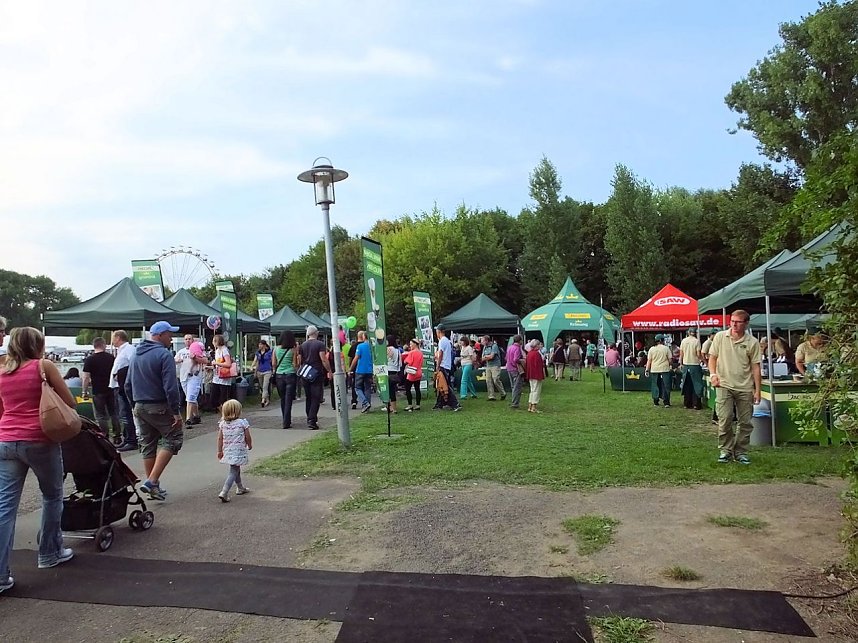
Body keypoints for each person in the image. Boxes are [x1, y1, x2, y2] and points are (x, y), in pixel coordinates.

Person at [0, 327, 76, 587]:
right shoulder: (42, 366)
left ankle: (0, 576)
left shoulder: (2, 370)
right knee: (52, 495)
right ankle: (49, 553)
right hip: (39, 439)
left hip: (6, 441)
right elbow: (70, 401)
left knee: (5, 508)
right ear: (37, 344)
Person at [125, 321, 184, 501]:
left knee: (148, 444)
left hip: (139, 405)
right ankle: (151, 481)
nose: (171, 337)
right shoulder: (163, 355)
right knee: (174, 438)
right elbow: (170, 386)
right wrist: (175, 411)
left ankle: (153, 486)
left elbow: (127, 384)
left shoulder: (136, 354)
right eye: (169, 334)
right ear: (159, 335)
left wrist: (133, 405)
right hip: (159, 405)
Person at [708, 309, 761, 465]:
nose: (734, 324)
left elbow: (756, 367)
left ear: (746, 323)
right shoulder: (720, 337)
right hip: (724, 384)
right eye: (732, 321)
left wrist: (757, 390)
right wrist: (713, 375)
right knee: (724, 419)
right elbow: (712, 358)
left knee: (745, 422)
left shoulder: (752, 342)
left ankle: (741, 452)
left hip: (745, 386)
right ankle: (725, 450)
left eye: (738, 322)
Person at [82, 337, 122, 443]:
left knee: (100, 415)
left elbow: (86, 377)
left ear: (94, 346)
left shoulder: (90, 359)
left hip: (97, 390)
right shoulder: (111, 358)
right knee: (114, 413)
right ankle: (117, 436)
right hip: (111, 388)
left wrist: (84, 391)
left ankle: (104, 436)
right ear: (103, 345)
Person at [216, 399, 252, 502]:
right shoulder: (242, 423)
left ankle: (240, 488)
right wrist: (249, 444)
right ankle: (224, 491)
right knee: (234, 470)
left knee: (236, 468)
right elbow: (247, 436)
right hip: (238, 450)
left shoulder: (222, 424)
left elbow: (220, 438)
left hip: (228, 450)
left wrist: (219, 451)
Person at [110, 330, 138, 452]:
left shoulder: (129, 349)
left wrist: (121, 374)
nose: (112, 340)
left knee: (126, 413)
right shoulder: (122, 350)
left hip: (123, 385)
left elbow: (133, 365)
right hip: (118, 385)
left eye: (113, 337)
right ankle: (127, 438)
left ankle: (131, 440)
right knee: (123, 413)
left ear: (118, 338)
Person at [300, 325, 330, 430]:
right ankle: (312, 420)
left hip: (305, 373)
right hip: (316, 373)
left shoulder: (303, 345)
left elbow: (301, 359)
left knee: (308, 397)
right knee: (316, 397)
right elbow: (323, 359)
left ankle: (309, 417)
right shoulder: (320, 344)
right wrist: (329, 370)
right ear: (316, 333)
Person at [175, 334, 205, 427]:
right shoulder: (181, 351)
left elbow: (205, 360)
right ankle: (196, 416)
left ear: (193, 340)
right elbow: (174, 360)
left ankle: (188, 419)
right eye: (186, 339)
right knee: (191, 397)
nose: (188, 340)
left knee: (190, 397)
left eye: (189, 339)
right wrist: (177, 360)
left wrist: (195, 358)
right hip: (184, 377)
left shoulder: (197, 349)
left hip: (194, 376)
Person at [272, 330, 299, 429]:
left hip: (279, 375)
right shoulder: (293, 350)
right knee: (289, 399)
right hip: (290, 374)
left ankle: (285, 419)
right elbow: (295, 364)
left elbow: (274, 364)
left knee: (283, 398)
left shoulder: (276, 349)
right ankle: (286, 422)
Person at [432, 324, 461, 411]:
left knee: (445, 386)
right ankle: (440, 404)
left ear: (439, 331)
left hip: (443, 365)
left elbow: (440, 354)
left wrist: (438, 365)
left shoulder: (442, 341)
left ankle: (455, 404)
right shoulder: (447, 341)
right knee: (443, 385)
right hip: (447, 365)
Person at [349, 330, 374, 413]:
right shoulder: (372, 347)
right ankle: (367, 407)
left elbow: (356, 358)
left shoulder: (360, 346)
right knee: (367, 388)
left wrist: (350, 369)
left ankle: (365, 402)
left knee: (357, 388)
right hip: (369, 370)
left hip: (360, 370)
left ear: (364, 337)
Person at [645, 334, 673, 407]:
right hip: (664, 369)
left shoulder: (652, 349)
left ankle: (656, 401)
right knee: (666, 385)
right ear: (661, 340)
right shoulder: (666, 348)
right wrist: (670, 365)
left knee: (655, 385)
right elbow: (670, 360)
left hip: (654, 369)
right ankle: (666, 402)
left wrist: (647, 370)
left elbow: (649, 361)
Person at [679, 329, 704, 410]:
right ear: (695, 333)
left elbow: (681, 354)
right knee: (696, 384)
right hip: (695, 365)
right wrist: (703, 361)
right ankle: (696, 404)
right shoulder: (696, 341)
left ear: (688, 333)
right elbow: (698, 354)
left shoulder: (683, 341)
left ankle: (687, 403)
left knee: (687, 384)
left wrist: (681, 363)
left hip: (686, 365)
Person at [210, 334, 235, 412]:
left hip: (224, 377)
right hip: (217, 376)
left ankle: (226, 414)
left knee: (223, 399)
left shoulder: (224, 350)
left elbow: (228, 364)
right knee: (213, 398)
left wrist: (216, 363)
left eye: (214, 341)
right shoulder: (217, 351)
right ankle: (222, 412)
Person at [480, 335, 506, 401]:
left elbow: (492, 356)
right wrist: (487, 357)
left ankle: (503, 393)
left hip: (495, 365)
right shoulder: (484, 347)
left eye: (482, 341)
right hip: (488, 365)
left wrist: (486, 357)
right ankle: (491, 396)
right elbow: (482, 358)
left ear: (486, 340)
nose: (481, 342)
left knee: (495, 379)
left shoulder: (494, 346)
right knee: (488, 380)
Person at [402, 338, 424, 412]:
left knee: (408, 389)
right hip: (418, 372)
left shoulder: (411, 353)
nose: (410, 346)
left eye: (411, 344)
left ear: (415, 344)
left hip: (411, 373)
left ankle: (410, 405)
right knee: (417, 389)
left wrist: (405, 361)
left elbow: (408, 361)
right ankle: (418, 405)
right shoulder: (420, 353)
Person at [250, 340, 274, 408]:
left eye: (261, 344)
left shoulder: (269, 352)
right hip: (260, 371)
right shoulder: (258, 353)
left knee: (265, 386)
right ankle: (267, 399)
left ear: (264, 345)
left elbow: (272, 361)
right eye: (259, 344)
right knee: (261, 386)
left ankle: (263, 400)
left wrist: (273, 368)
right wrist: (252, 367)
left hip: (267, 371)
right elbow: (256, 361)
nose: (259, 346)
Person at [525, 339, 546, 413]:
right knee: (536, 390)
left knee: (532, 390)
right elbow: (539, 366)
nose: (540, 346)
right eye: (539, 345)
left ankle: (530, 406)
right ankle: (533, 407)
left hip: (531, 374)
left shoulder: (529, 353)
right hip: (536, 374)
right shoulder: (537, 354)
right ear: (536, 346)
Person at [505, 335, 525, 409]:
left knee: (513, 386)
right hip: (515, 369)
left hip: (509, 368)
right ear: (520, 341)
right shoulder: (517, 348)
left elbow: (506, 357)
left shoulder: (509, 347)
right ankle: (515, 403)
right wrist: (522, 361)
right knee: (517, 387)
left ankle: (514, 401)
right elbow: (516, 359)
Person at [385, 335, 402, 413]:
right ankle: (394, 408)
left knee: (387, 391)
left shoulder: (387, 349)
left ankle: (389, 406)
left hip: (388, 371)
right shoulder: (398, 350)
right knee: (392, 391)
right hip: (395, 372)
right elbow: (400, 363)